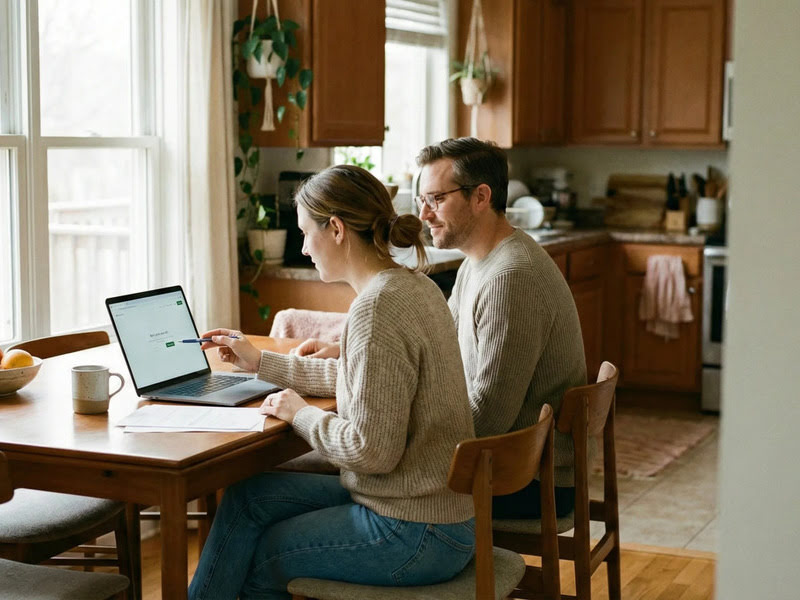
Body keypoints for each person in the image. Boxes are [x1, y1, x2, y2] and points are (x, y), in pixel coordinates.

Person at [188, 165, 476, 600]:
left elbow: (371, 450)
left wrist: (299, 414)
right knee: (248, 497)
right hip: (433, 513)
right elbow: (360, 380)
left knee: (267, 553)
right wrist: (260, 363)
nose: (304, 248)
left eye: (306, 233)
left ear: (337, 229)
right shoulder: (413, 286)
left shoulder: (377, 308)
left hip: (415, 531)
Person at [297, 138, 586, 520]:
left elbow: (487, 419)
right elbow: (439, 347)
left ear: (480, 197)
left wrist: (397, 440)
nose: (423, 215)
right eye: (421, 201)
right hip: (510, 466)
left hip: (527, 480)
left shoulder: (512, 277)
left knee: (338, 476)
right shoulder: (479, 262)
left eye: (436, 199)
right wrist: (352, 352)